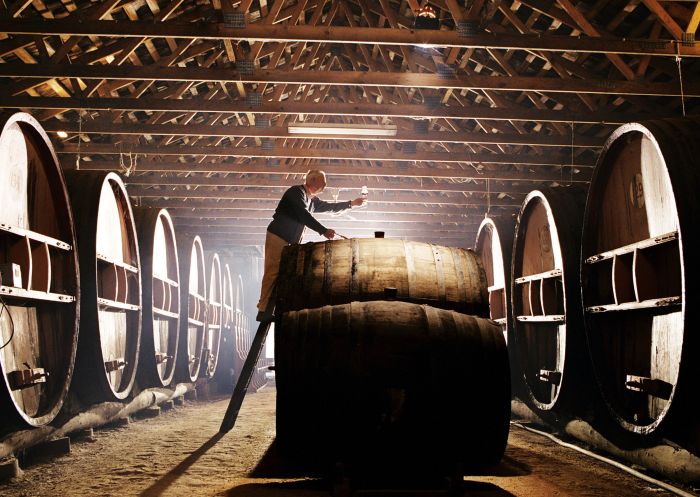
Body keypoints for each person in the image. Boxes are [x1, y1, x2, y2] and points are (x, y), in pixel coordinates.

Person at [256, 169, 366, 322]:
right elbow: (303, 215)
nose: (325, 185)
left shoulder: (310, 199)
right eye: (323, 182)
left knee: (283, 274)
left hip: (289, 241)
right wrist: (323, 231)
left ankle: (270, 308)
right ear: (313, 181)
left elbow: (328, 207)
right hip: (278, 236)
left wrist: (351, 204)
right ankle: (263, 310)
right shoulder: (296, 193)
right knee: (273, 271)